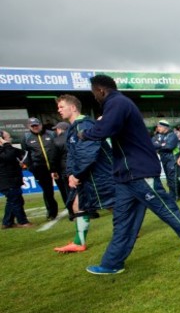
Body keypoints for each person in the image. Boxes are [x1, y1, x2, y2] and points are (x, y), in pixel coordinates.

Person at [80, 75, 180, 275]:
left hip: (139, 171)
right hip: (125, 175)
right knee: (122, 220)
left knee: (166, 210)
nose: (94, 97)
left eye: (94, 92)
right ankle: (112, 263)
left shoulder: (117, 102)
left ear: (101, 90)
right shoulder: (116, 104)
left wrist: (85, 133)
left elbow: (105, 129)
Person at [53, 95, 115, 253]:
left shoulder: (85, 124)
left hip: (99, 175)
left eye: (61, 107)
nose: (58, 110)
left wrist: (77, 174)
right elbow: (73, 155)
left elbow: (87, 154)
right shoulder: (73, 128)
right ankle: (79, 242)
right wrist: (71, 174)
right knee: (77, 203)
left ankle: (130, 230)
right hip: (87, 175)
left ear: (73, 107)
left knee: (111, 204)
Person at [21, 118, 60, 220]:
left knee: (64, 189)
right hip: (40, 169)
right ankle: (52, 212)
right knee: (48, 192)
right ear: (29, 127)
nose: (35, 127)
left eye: (36, 125)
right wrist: (32, 167)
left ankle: (71, 210)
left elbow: (58, 148)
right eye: (33, 126)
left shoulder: (51, 134)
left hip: (55, 167)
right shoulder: (26, 138)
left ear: (41, 125)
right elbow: (25, 155)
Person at [0, 130, 33, 229]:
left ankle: (7, 222)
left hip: (12, 180)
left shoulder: (6, 149)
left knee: (13, 201)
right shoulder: (5, 149)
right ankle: (23, 222)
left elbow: (21, 153)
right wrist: (6, 144)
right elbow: (9, 156)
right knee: (15, 201)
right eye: (8, 137)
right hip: (6, 181)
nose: (10, 139)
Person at [152, 120, 180, 201]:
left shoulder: (172, 135)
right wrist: (162, 145)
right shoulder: (157, 136)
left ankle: (174, 196)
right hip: (163, 158)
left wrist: (159, 145)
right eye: (158, 127)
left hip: (172, 158)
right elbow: (153, 144)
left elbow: (169, 146)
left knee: (172, 177)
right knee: (170, 177)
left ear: (165, 127)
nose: (158, 128)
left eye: (160, 127)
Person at [52, 121, 71, 205]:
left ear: (60, 129)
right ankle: (91, 211)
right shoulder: (75, 138)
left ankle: (72, 212)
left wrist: (53, 170)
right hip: (77, 167)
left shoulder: (56, 141)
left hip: (64, 169)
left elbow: (53, 157)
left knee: (68, 191)